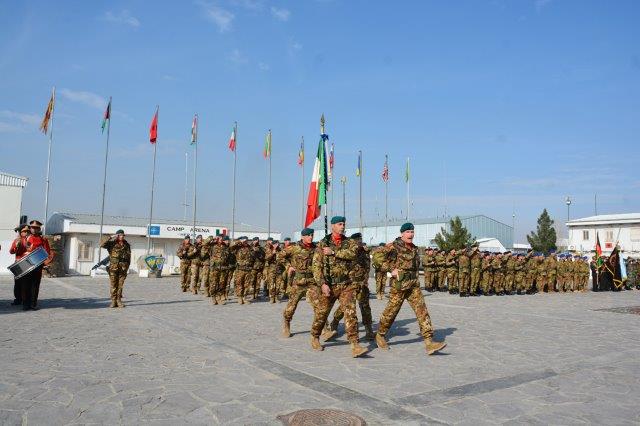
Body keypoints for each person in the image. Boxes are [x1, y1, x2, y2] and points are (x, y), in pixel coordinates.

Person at [375, 223, 446, 355]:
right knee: (391, 311)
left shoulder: (414, 248)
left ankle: (429, 341)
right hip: (400, 285)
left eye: (412, 232)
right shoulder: (393, 246)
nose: (411, 234)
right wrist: (391, 269)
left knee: (422, 311)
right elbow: (377, 257)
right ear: (402, 233)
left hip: (413, 285)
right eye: (408, 232)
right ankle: (380, 334)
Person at [309, 216, 368, 357]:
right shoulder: (323, 243)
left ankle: (355, 344)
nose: (342, 226)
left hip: (346, 284)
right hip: (329, 285)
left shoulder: (349, 242)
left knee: (351, 313)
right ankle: (315, 336)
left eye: (343, 224)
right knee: (322, 314)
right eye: (339, 224)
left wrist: (334, 252)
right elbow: (316, 266)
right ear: (332, 226)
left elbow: (352, 254)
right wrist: (322, 283)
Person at [324, 233, 375, 341]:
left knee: (365, 307)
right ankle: (335, 322)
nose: (359, 243)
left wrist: (365, 279)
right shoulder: (346, 253)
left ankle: (368, 330)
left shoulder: (365, 252)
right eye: (357, 241)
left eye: (360, 240)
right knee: (344, 308)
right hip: (350, 284)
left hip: (362, 284)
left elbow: (367, 266)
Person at [280, 228, 317, 337]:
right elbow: (280, 256)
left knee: (319, 305)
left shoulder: (316, 249)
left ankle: (324, 328)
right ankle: (286, 323)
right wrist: (288, 266)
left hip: (312, 281)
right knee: (292, 306)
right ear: (302, 237)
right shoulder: (294, 248)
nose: (310, 237)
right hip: (298, 282)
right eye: (308, 235)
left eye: (312, 235)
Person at [21, 221, 53, 310]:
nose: (34, 229)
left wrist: (46, 263)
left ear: (39, 229)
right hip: (26, 264)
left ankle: (33, 303)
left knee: (35, 285)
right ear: (30, 228)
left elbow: (47, 252)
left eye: (36, 228)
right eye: (32, 227)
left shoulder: (43, 239)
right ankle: (25, 304)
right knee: (25, 285)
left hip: (38, 265)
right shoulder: (25, 238)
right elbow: (19, 251)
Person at [100, 229, 131, 308]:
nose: (122, 237)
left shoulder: (126, 245)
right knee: (113, 285)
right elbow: (102, 244)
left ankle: (118, 300)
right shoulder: (111, 244)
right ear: (117, 236)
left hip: (123, 268)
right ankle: (113, 301)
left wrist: (127, 267)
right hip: (113, 268)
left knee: (120, 285)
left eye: (123, 235)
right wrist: (111, 237)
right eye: (120, 235)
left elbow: (128, 257)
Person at [8, 224, 29, 306]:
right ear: (20, 232)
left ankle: (26, 299)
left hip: (28, 264)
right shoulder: (17, 240)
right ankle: (18, 299)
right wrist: (16, 247)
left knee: (27, 283)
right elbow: (11, 251)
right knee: (18, 283)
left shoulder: (31, 239)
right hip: (19, 263)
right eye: (24, 231)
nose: (26, 233)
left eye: (27, 231)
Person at [231, 236, 254, 304]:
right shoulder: (238, 247)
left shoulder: (249, 248)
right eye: (244, 240)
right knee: (239, 283)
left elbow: (253, 257)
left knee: (247, 285)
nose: (245, 241)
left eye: (246, 240)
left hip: (248, 269)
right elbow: (231, 246)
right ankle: (240, 297)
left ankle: (244, 297)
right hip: (240, 269)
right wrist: (239, 241)